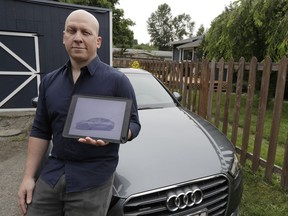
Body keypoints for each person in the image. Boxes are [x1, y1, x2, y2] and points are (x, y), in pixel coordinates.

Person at [17, 9, 141, 216]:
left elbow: (134, 124)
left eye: (86, 32)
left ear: (98, 41)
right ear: (63, 37)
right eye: (71, 31)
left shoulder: (117, 81)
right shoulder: (49, 82)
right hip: (52, 175)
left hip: (93, 180)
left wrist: (115, 136)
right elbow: (40, 130)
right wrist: (28, 177)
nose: (78, 38)